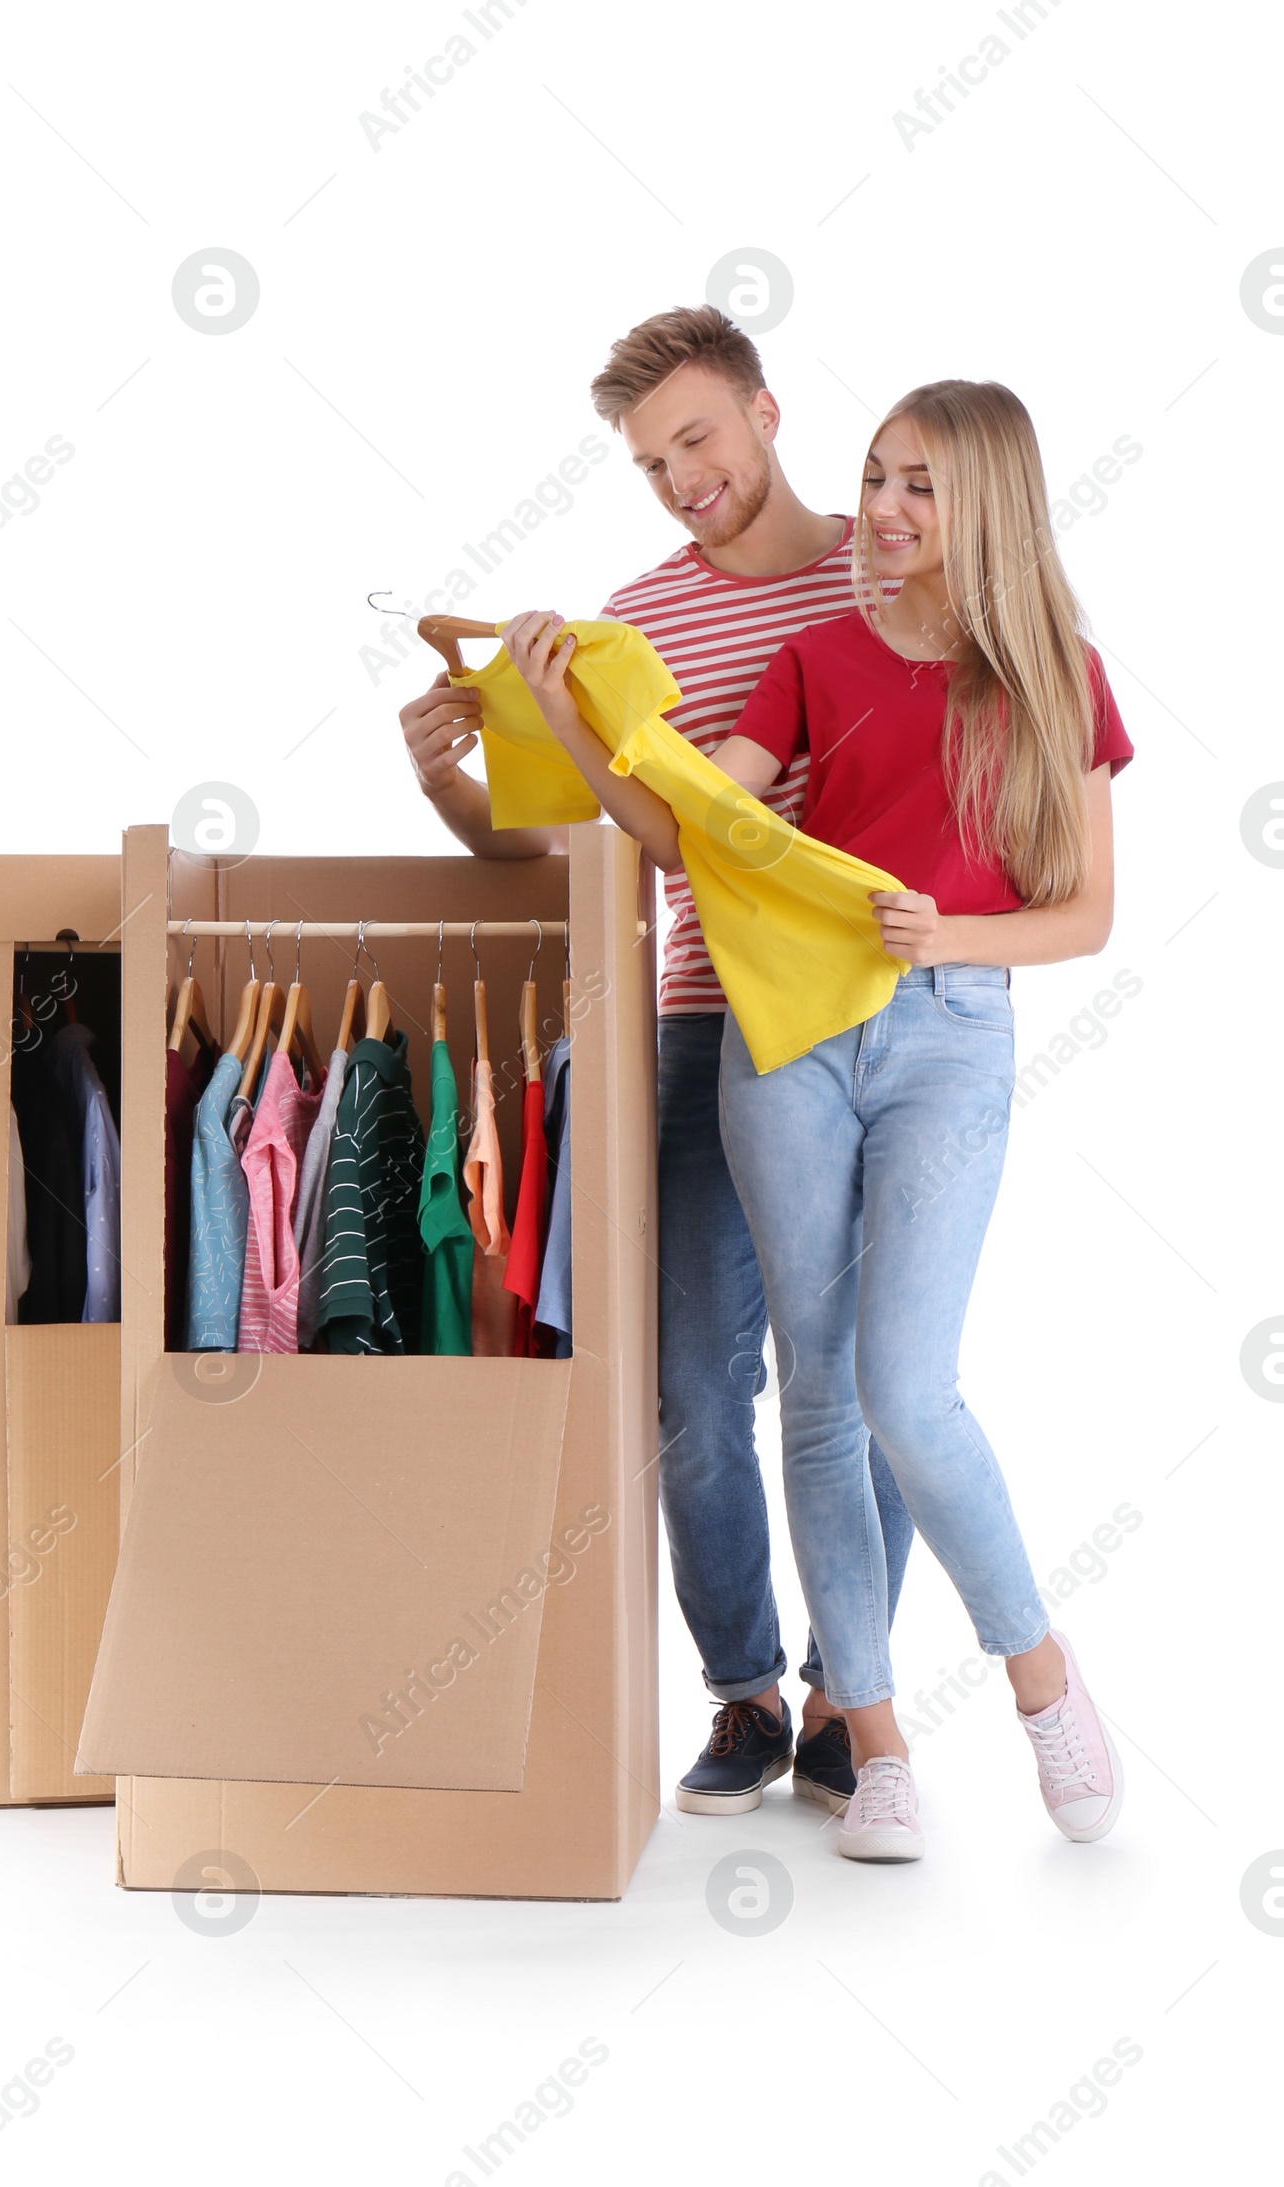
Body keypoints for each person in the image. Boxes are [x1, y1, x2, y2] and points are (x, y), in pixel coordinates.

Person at [504, 378, 1130, 1861]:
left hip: (946, 1033)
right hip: (780, 1037)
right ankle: (874, 1733)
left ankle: (1043, 1682)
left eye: (922, 486)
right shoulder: (811, 656)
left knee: (909, 1389)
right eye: (879, 480)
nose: (892, 511)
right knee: (812, 1388)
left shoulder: (1057, 672)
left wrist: (949, 940)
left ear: (986, 502)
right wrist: (567, 726)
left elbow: (1087, 916)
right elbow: (686, 832)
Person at [399, 307, 914, 1820]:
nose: (682, 476)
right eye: (650, 460)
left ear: (765, 410)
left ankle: (849, 1695)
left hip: (875, 1017)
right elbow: (565, 855)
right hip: (701, 1020)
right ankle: (748, 1696)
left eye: (698, 438)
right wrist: (450, 781)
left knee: (871, 1380)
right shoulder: (630, 627)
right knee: (694, 1389)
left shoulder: (892, 567)